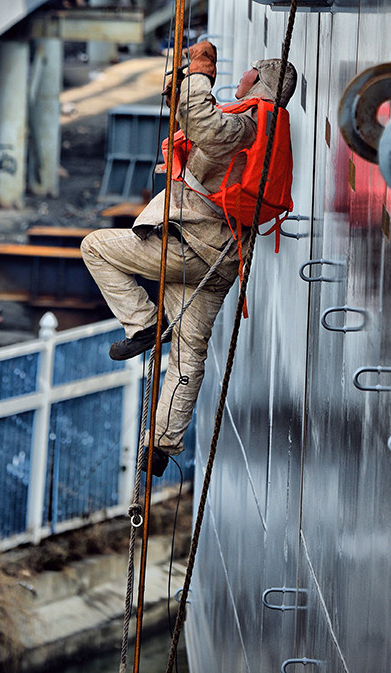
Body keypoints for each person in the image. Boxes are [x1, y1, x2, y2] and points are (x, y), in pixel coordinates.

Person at [80, 41, 297, 476]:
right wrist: (180, 91)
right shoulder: (258, 128)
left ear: (260, 80)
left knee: (96, 246)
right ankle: (163, 442)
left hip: (191, 247)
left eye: (251, 71)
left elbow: (203, 123)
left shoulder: (246, 126)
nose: (244, 75)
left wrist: (199, 73)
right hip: (222, 259)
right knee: (187, 356)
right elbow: (197, 125)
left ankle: (143, 323)